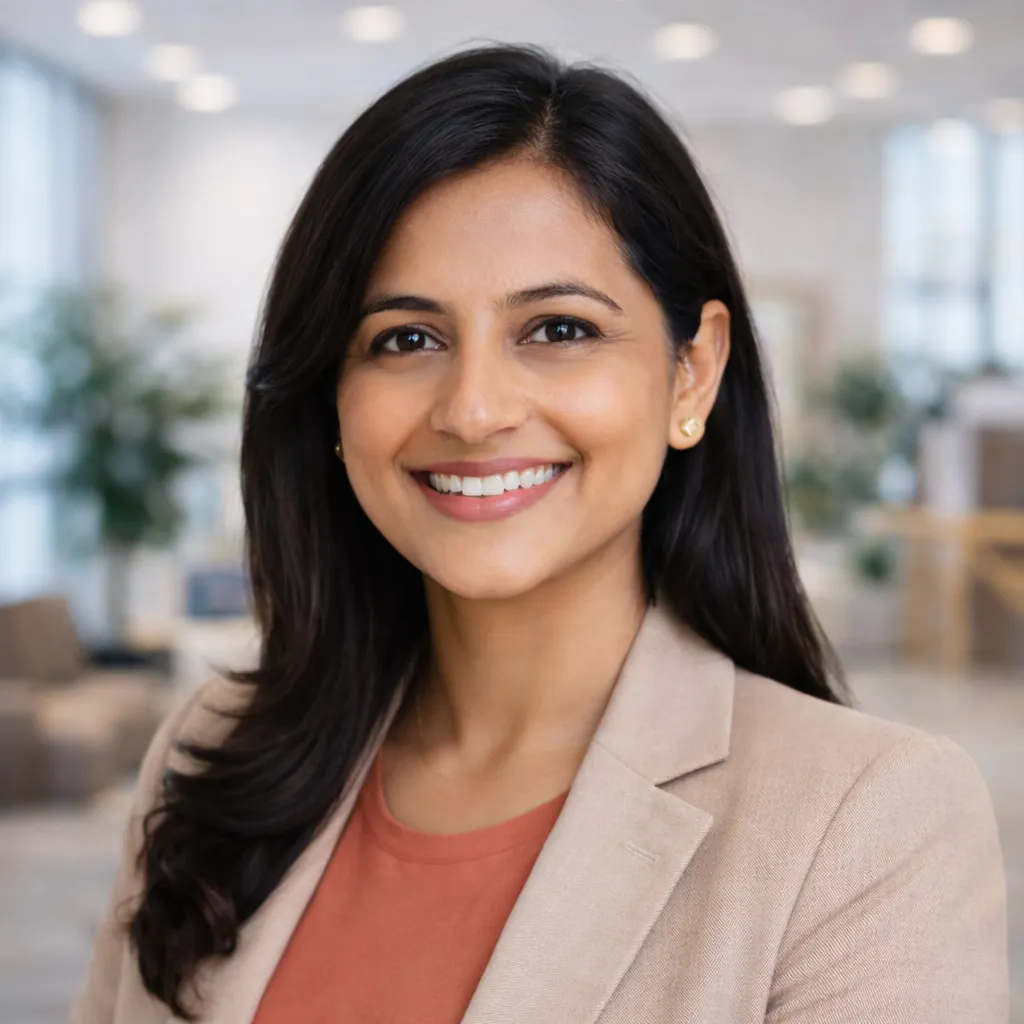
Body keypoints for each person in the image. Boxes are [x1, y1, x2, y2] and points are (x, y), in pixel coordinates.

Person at [71, 43, 1007, 1024]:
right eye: (406, 339)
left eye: (557, 329)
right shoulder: (212, 747)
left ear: (691, 374)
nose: (473, 409)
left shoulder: (863, 818)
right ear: (332, 401)